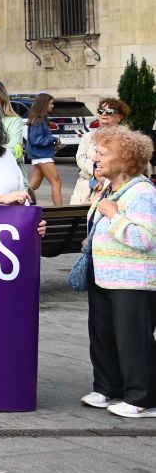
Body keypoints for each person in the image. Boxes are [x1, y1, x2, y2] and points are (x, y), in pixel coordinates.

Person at [79, 125, 156, 419]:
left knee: (131, 338)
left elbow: (145, 238)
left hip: (133, 279)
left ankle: (142, 398)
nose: (95, 156)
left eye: (102, 152)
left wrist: (113, 215)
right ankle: (107, 388)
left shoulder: (142, 192)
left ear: (125, 159)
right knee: (103, 334)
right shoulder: (111, 188)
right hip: (106, 274)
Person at [74, 98, 129, 203]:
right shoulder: (88, 136)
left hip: (112, 187)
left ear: (120, 117)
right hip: (85, 186)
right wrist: (96, 172)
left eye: (109, 111)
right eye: (101, 111)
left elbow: (123, 163)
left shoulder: (125, 139)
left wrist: (105, 178)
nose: (104, 114)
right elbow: (80, 158)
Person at [25, 93, 64, 207]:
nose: (52, 106)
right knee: (56, 182)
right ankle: (60, 211)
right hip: (42, 156)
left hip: (40, 156)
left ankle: (17, 203)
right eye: (51, 103)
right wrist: (53, 139)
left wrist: (54, 140)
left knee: (34, 185)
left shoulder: (38, 119)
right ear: (44, 104)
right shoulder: (39, 120)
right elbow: (36, 139)